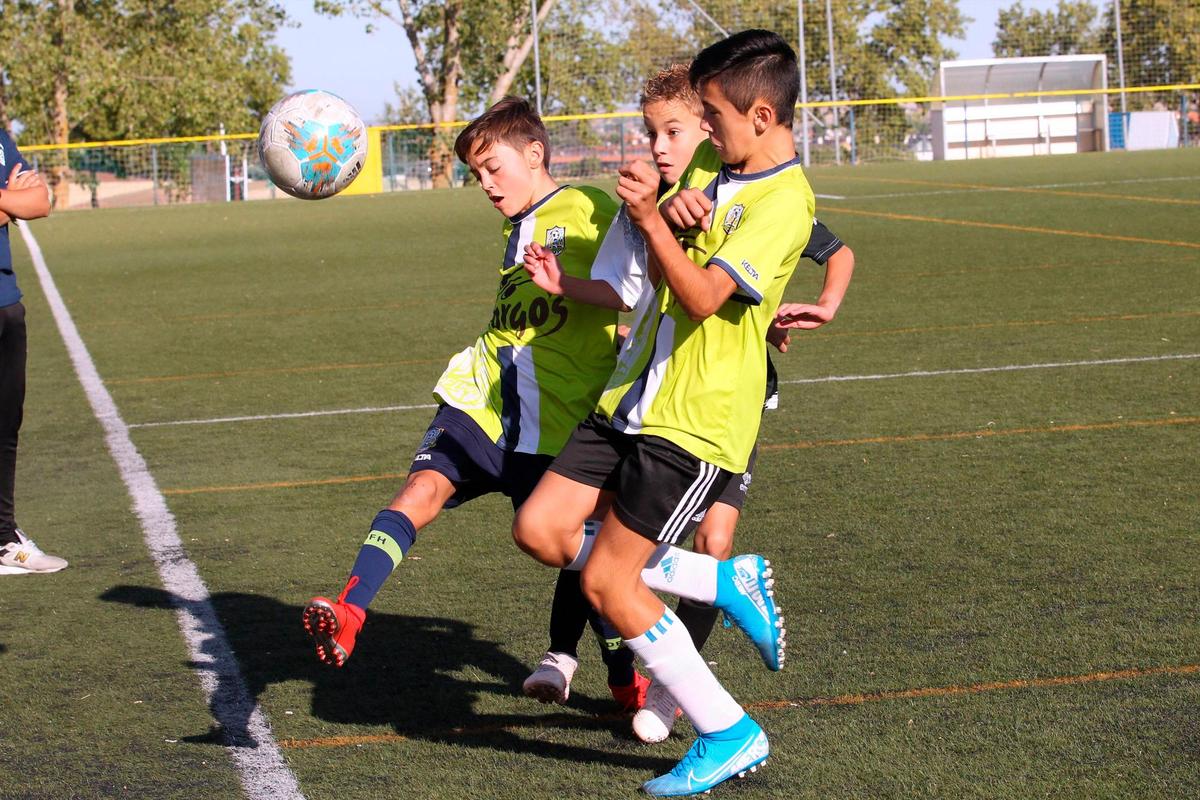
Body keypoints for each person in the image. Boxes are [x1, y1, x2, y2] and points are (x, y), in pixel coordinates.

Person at [512, 30, 809, 795]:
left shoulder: (783, 198)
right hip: (629, 400)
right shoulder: (726, 170)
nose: (701, 132)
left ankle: (728, 729)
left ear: (764, 117)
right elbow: (673, 182)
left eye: (708, 118)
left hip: (694, 417)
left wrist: (652, 219)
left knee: (612, 584)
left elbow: (708, 298)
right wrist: (661, 191)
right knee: (540, 529)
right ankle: (719, 582)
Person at [299, 96, 658, 705]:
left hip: (561, 414)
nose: (486, 185)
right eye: (476, 174)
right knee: (419, 491)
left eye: (494, 168)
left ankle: (626, 677)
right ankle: (351, 608)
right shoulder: (514, 224)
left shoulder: (591, 206)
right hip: (483, 395)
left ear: (535, 153)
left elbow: (635, 288)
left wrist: (607, 318)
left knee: (583, 560)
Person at [0, 130, 65, 576]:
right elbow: (17, 204)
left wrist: (10, 202)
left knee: (5, 427)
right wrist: (8, 197)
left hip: (5, 302)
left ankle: (3, 539)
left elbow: (40, 202)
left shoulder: (1, 136)